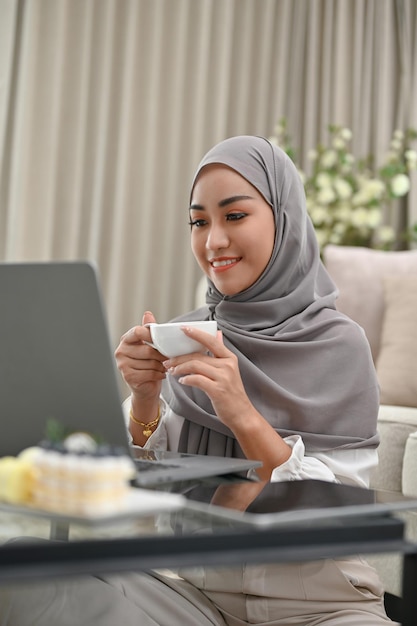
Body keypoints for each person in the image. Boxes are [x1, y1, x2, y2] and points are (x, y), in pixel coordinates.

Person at [0, 136, 394, 625]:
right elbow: (142, 508)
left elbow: (339, 516)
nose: (213, 242)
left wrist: (242, 413)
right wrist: (144, 400)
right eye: (198, 221)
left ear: (285, 218)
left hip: (320, 606)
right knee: (25, 569)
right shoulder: (188, 335)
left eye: (234, 216)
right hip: (195, 601)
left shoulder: (340, 345)